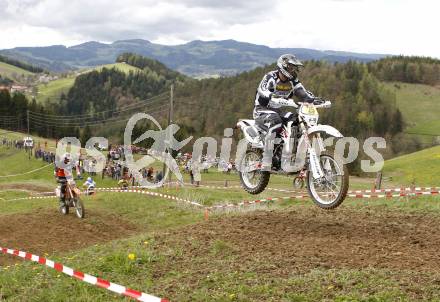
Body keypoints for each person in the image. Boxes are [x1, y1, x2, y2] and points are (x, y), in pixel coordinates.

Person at [254, 54, 316, 136]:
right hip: (261, 110)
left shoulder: (293, 81)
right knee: (276, 120)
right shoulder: (271, 77)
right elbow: (262, 90)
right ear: (283, 66)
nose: (293, 70)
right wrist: (273, 97)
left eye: (294, 68)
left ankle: (292, 146)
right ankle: (268, 148)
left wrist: (313, 100)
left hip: (278, 111)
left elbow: (302, 93)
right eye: (291, 67)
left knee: (296, 121)